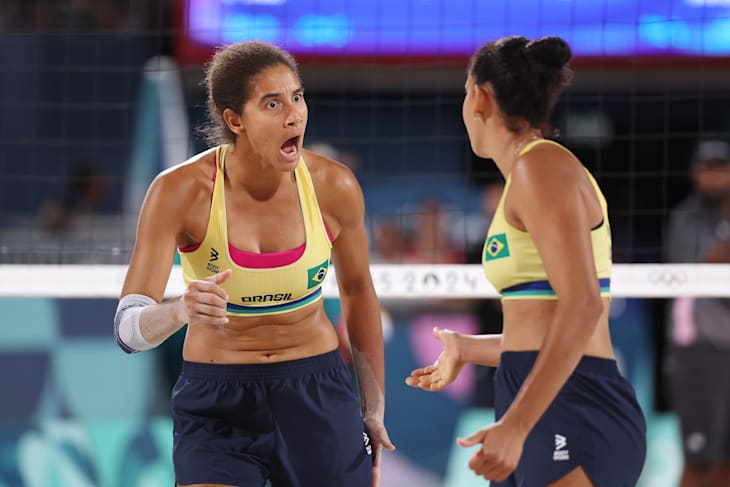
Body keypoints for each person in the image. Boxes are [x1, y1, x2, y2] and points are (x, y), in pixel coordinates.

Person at [113, 40, 394, 487]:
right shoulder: (180, 191)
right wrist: (179, 310)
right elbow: (127, 330)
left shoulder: (333, 186)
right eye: (272, 102)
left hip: (315, 390)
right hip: (217, 400)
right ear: (235, 120)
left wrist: (373, 410)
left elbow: (360, 293)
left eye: (297, 97)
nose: (294, 114)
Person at [405, 36, 646, 486]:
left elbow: (584, 306)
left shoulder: (542, 168)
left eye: (464, 91)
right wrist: (469, 347)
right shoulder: (525, 176)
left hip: (574, 400)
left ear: (480, 96)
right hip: (538, 393)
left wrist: (516, 425)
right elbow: (543, 327)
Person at [664, 139, 730, 487]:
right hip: (698, 350)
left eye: (722, 167)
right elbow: (713, 262)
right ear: (695, 173)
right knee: (700, 461)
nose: (715, 175)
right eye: (709, 168)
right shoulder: (685, 219)